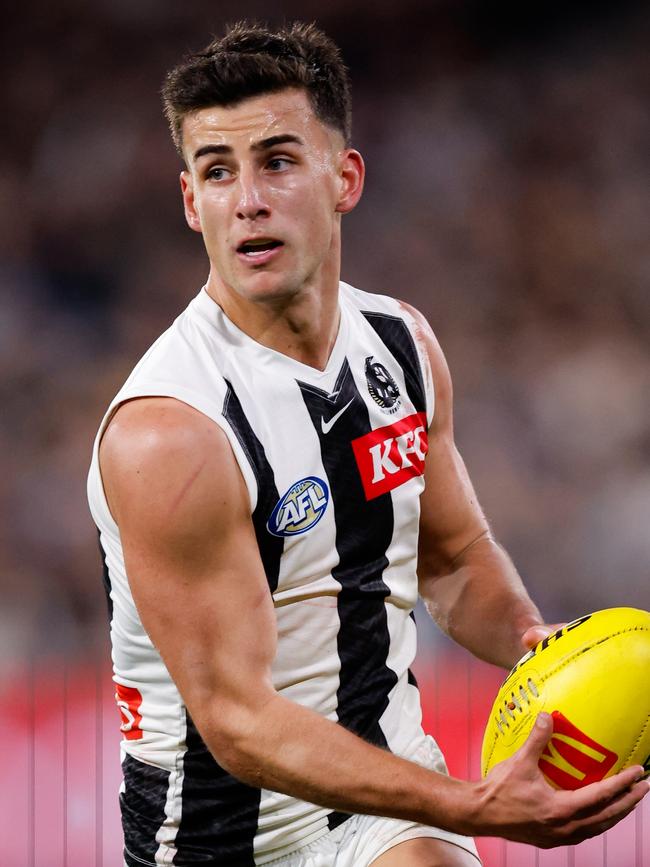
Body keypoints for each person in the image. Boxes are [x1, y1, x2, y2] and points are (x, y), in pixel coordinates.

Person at [87, 21, 648, 867]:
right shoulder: (172, 431)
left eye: (276, 160)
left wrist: (550, 652)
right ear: (189, 201)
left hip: (389, 802)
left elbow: (451, 559)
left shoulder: (401, 344)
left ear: (344, 176)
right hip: (226, 837)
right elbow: (237, 721)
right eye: (217, 171)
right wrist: (475, 802)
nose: (247, 199)